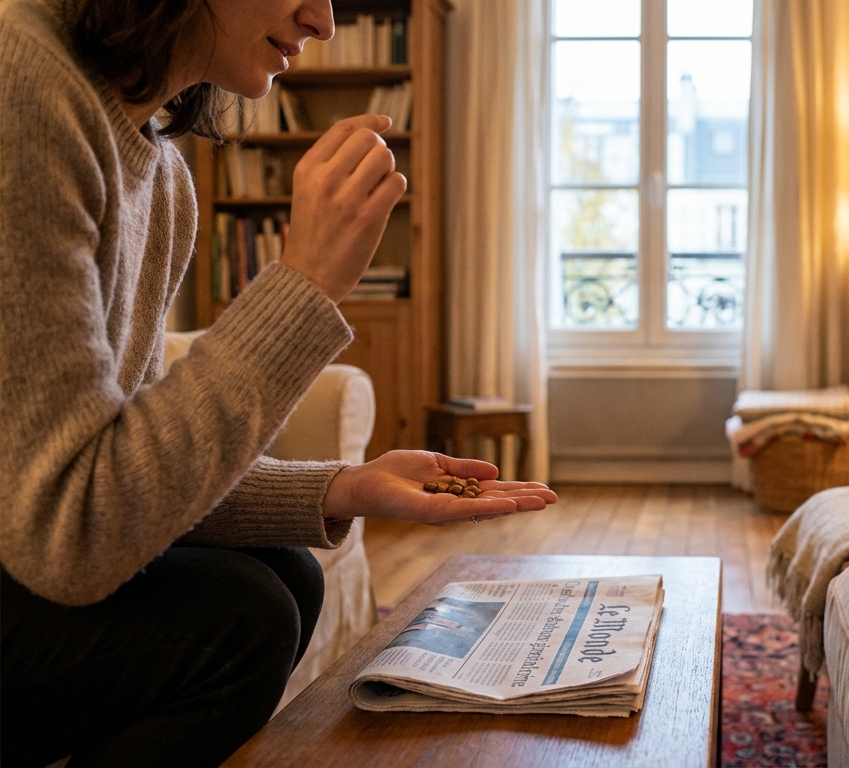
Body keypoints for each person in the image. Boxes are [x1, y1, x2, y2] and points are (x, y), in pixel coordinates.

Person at [0, 0, 556, 764]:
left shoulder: (162, 178)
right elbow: (72, 538)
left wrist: (341, 489)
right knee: (240, 618)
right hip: (28, 550)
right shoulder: (19, 81)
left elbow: (127, 469)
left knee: (288, 573)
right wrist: (306, 283)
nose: (322, 20)